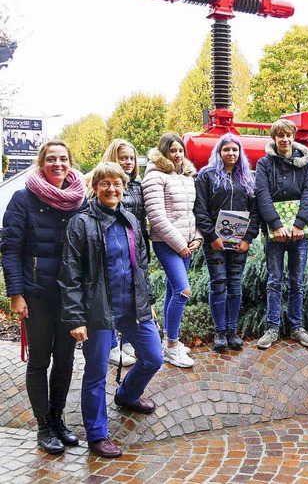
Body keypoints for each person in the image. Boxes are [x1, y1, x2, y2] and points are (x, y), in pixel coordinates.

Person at [59, 162, 163, 458]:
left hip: (132, 305)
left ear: (123, 186)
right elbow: (70, 275)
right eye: (105, 183)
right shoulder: (81, 222)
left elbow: (141, 264)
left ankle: (127, 395)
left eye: (117, 183)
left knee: (153, 357)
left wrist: (149, 303)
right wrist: (76, 318)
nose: (112, 189)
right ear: (95, 187)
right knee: (95, 372)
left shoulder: (130, 218)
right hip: (97, 310)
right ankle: (97, 434)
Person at [1, 140, 85, 454]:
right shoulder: (23, 198)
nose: (58, 164)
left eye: (63, 158)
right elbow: (10, 249)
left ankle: (58, 419)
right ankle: (43, 426)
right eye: (51, 159)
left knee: (64, 361)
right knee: (40, 361)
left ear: (70, 162)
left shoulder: (79, 200)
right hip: (36, 295)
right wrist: (15, 294)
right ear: (41, 163)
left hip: (68, 296)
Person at [255, 119, 308, 350]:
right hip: (275, 233)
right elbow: (262, 194)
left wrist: (300, 223)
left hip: (299, 234)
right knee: (274, 280)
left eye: (288, 135)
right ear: (274, 138)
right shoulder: (264, 164)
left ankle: (296, 327)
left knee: (296, 281)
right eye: (280, 135)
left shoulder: (305, 165)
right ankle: (272, 328)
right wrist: (276, 224)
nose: (284, 139)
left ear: (294, 137)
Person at [194, 134, 260, 352]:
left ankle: (232, 330)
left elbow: (255, 211)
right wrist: (212, 237)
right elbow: (200, 209)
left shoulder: (248, 177)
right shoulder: (206, 176)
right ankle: (220, 331)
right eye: (226, 149)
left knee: (235, 284)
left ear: (240, 152)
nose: (231, 153)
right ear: (219, 152)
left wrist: (248, 238)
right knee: (218, 283)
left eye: (235, 150)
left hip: (239, 242)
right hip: (215, 242)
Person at [143, 132, 202, 368]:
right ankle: (173, 347)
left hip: (187, 243)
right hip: (167, 244)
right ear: (164, 152)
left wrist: (197, 238)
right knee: (183, 291)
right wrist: (180, 245)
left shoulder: (187, 176)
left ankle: (170, 340)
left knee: (172, 289)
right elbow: (156, 217)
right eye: (172, 151)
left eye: (180, 150)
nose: (177, 155)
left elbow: (193, 212)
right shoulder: (155, 176)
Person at [88, 139, 149, 367]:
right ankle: (112, 344)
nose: (128, 162)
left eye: (132, 158)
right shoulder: (104, 182)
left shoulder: (136, 185)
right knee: (109, 292)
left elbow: (141, 218)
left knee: (130, 289)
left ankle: (127, 342)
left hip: (133, 242)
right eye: (123, 157)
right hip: (109, 245)